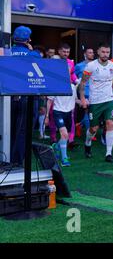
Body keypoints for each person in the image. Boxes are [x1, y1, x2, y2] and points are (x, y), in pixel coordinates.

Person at [79, 44, 113, 163]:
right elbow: (82, 83)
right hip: (95, 102)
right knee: (93, 129)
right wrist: (82, 98)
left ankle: (109, 154)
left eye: (108, 52)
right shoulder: (90, 66)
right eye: (103, 52)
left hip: (109, 100)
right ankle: (87, 143)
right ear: (98, 51)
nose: (105, 54)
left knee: (110, 123)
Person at [10, 26, 40, 166]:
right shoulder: (33, 54)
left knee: (8, 128)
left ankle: (7, 158)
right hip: (27, 97)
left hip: (8, 98)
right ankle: (17, 162)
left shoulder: (6, 52)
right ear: (28, 39)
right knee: (23, 130)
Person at [46, 78, 79, 167]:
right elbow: (49, 101)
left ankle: (56, 146)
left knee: (66, 136)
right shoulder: (55, 87)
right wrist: (47, 116)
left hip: (68, 113)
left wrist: (83, 102)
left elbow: (75, 99)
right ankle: (64, 158)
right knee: (64, 134)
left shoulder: (72, 87)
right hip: (58, 112)